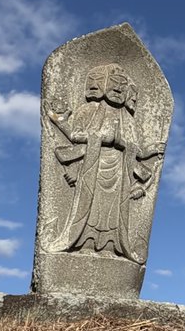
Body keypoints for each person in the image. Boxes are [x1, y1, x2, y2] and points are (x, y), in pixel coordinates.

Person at [46, 63, 165, 263]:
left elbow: (136, 148)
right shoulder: (88, 109)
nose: (117, 91)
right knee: (89, 205)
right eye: (113, 84)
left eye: (122, 87)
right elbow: (75, 134)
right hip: (93, 165)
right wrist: (99, 137)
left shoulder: (127, 118)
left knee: (113, 211)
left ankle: (110, 246)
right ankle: (85, 243)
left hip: (120, 170)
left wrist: (152, 150)